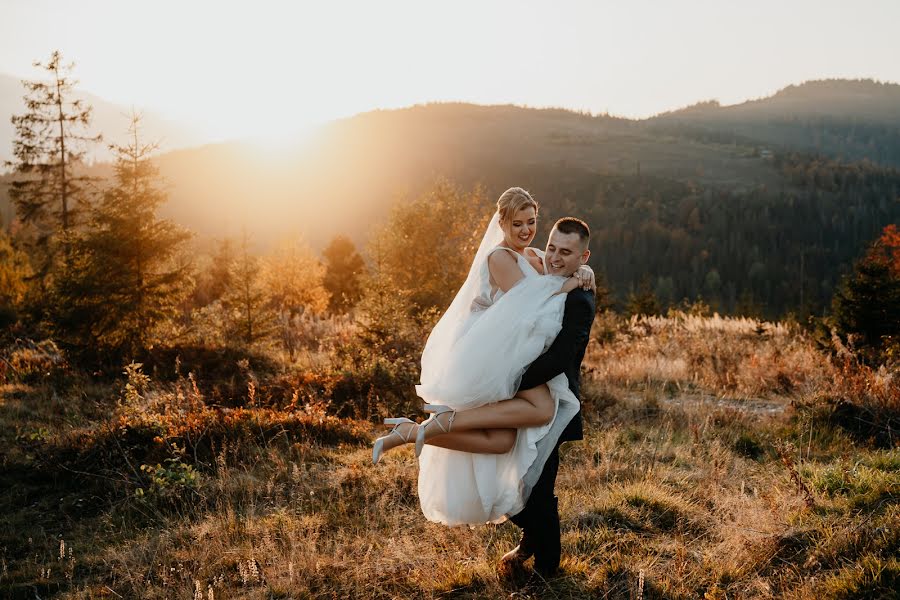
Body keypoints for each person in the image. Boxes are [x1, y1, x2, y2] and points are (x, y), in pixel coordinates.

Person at [372, 187, 594, 533]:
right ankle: (448, 420)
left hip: (513, 350)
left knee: (502, 441)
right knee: (543, 410)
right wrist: (570, 287)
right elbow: (528, 303)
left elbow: (557, 268)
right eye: (517, 223)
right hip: (494, 354)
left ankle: (413, 432)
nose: (525, 230)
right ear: (501, 222)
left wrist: (585, 271)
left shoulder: (535, 254)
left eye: (531, 222)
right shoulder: (500, 258)